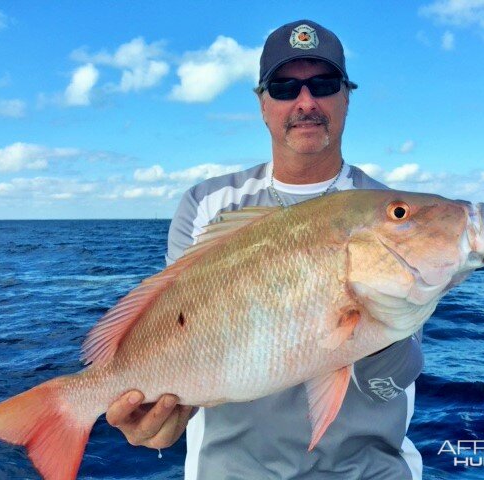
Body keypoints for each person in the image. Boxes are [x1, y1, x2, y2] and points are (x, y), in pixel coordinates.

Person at [106, 19, 424, 479]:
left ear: (347, 95)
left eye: (324, 83)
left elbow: (386, 385)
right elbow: (183, 338)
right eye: (284, 87)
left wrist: (372, 319)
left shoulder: (390, 215)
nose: (306, 102)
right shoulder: (204, 205)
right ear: (262, 103)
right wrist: (157, 419)